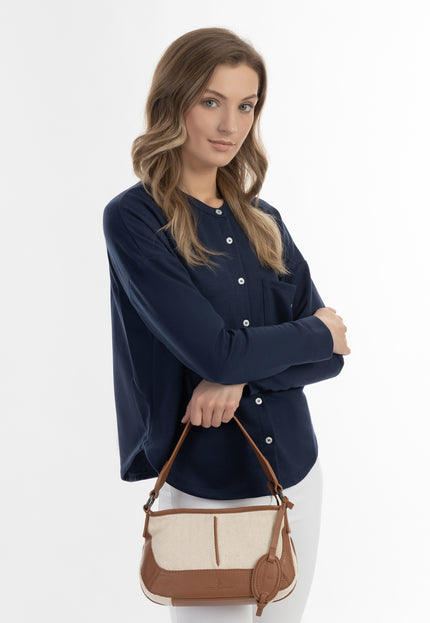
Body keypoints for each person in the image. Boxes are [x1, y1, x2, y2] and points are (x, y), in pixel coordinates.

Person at [102, 26, 350, 623]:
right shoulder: (135, 220)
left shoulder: (264, 219)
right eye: (211, 101)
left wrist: (236, 375)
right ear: (174, 102)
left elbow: (330, 360)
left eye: (246, 106)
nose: (229, 125)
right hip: (205, 485)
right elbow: (230, 351)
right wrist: (309, 334)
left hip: (295, 474)